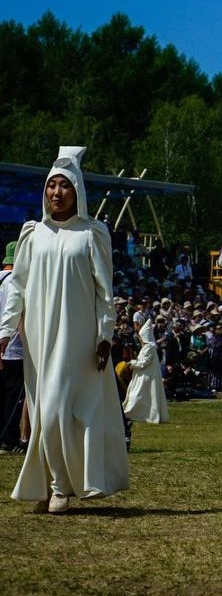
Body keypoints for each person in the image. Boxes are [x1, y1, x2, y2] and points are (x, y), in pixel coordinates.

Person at [0, 146, 129, 513]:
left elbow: (106, 291)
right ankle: (45, 484)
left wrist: (105, 335)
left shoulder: (92, 234)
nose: (56, 193)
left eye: (64, 186)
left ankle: (59, 486)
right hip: (38, 336)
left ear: (78, 192)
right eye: (51, 186)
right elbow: (19, 287)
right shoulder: (32, 234)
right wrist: (4, 331)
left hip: (78, 337)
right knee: (42, 411)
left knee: (57, 409)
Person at [0, 241, 27, 454]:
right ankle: (8, 439)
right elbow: (19, 314)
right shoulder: (16, 282)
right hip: (13, 347)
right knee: (13, 397)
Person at [123, 320, 170, 424]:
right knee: (140, 395)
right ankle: (134, 413)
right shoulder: (148, 347)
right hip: (143, 375)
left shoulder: (149, 347)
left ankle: (131, 413)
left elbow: (142, 363)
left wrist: (131, 363)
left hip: (145, 376)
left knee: (137, 395)